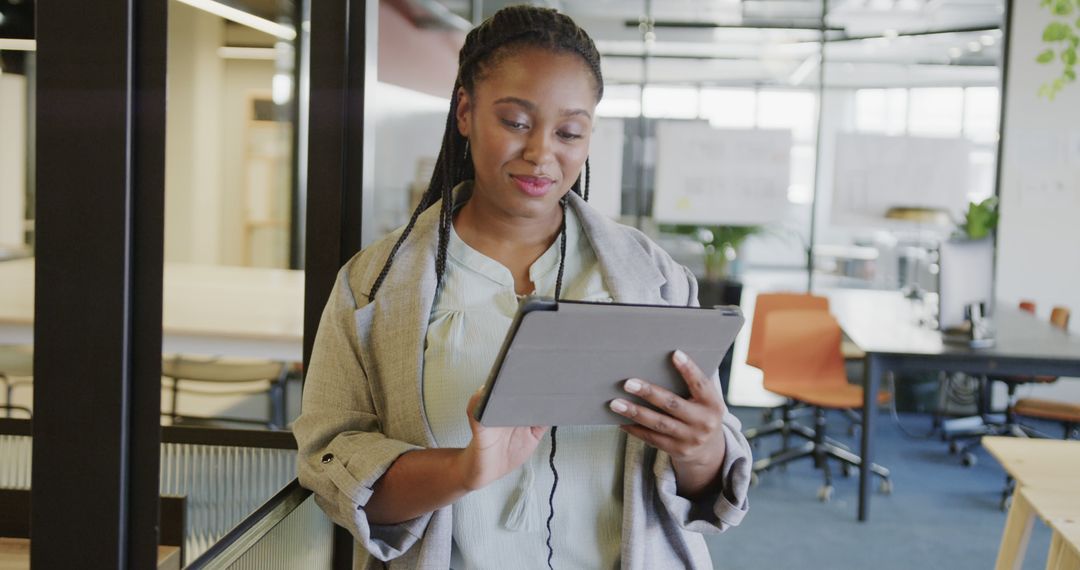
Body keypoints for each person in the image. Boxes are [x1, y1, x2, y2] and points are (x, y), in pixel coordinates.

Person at [294, 5, 751, 569]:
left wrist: (702, 447)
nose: (541, 153)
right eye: (515, 121)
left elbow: (708, 478)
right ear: (465, 110)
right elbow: (332, 464)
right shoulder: (373, 284)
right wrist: (463, 470)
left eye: (569, 132)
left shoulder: (654, 275)